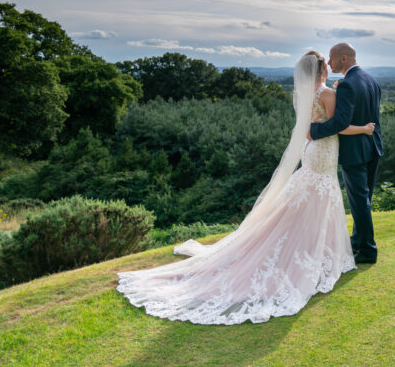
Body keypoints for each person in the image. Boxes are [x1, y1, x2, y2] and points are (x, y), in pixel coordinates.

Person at [116, 50, 375, 325]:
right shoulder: (328, 94)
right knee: (318, 196)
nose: (329, 67)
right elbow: (338, 126)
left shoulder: (305, 95)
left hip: (311, 151)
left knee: (306, 196)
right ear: (323, 70)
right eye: (326, 65)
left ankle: (311, 251)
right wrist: (364, 129)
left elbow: (311, 128)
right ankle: (314, 254)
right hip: (324, 151)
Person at [309, 43, 383, 264]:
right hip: (373, 147)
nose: (329, 64)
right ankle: (358, 240)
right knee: (364, 199)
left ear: (343, 58)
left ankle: (368, 250)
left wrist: (312, 131)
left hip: (355, 151)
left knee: (359, 201)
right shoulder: (370, 79)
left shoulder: (347, 85)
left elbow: (341, 122)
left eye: (331, 59)